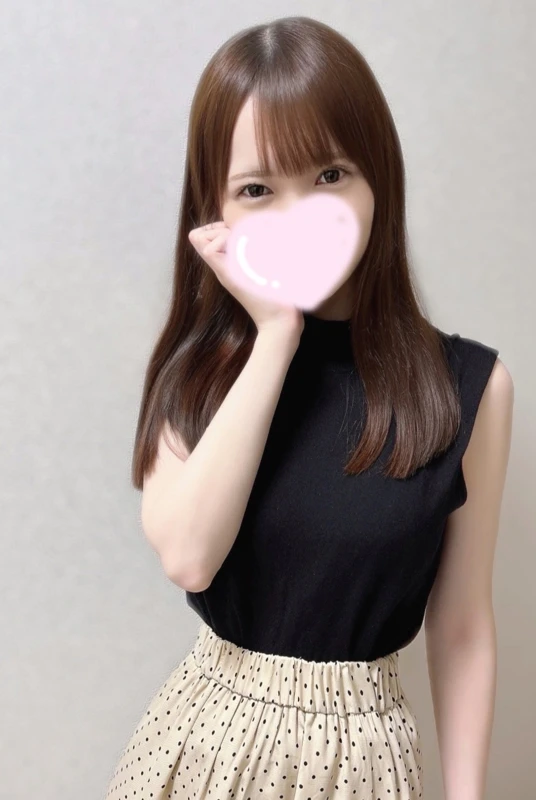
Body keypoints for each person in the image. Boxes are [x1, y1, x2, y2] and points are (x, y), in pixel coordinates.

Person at [103, 15, 514, 800]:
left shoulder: (469, 388)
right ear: (215, 208)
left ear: (377, 178)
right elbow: (189, 557)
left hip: (364, 763)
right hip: (205, 748)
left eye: (329, 174)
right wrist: (276, 335)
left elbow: (462, 629)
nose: (298, 216)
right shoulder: (195, 373)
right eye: (257, 190)